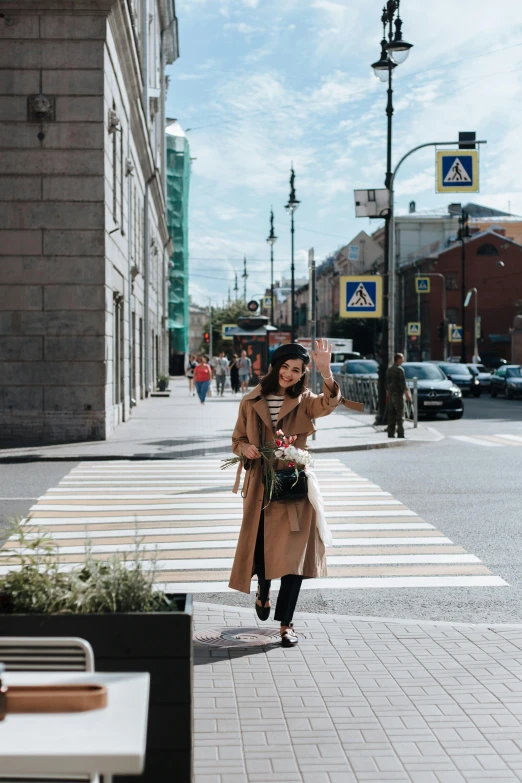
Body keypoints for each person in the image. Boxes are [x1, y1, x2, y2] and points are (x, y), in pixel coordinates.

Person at [228, 340, 342, 648]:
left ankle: (286, 625)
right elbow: (236, 439)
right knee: (264, 553)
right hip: (262, 490)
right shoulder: (251, 400)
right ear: (274, 367)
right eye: (285, 367)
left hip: (292, 487)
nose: (289, 375)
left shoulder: (305, 400)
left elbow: (329, 403)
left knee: (294, 562)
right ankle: (263, 591)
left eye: (296, 370)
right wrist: (245, 449)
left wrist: (326, 370)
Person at [386, 352, 411, 439]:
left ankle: (390, 433)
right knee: (400, 415)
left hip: (391, 395)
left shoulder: (390, 369)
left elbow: (387, 383)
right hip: (398, 395)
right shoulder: (400, 370)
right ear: (398, 359)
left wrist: (387, 394)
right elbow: (403, 384)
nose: (403, 360)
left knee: (391, 415)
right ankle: (400, 433)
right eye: (402, 359)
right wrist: (407, 394)